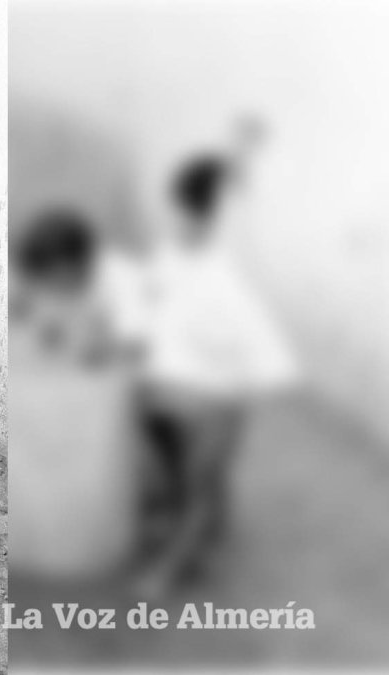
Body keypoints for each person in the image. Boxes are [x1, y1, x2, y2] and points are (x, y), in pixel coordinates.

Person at [133, 126, 297, 597]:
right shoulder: (179, 256)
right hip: (180, 386)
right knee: (191, 476)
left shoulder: (225, 270)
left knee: (201, 480)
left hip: (215, 390)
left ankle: (174, 564)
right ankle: (202, 537)